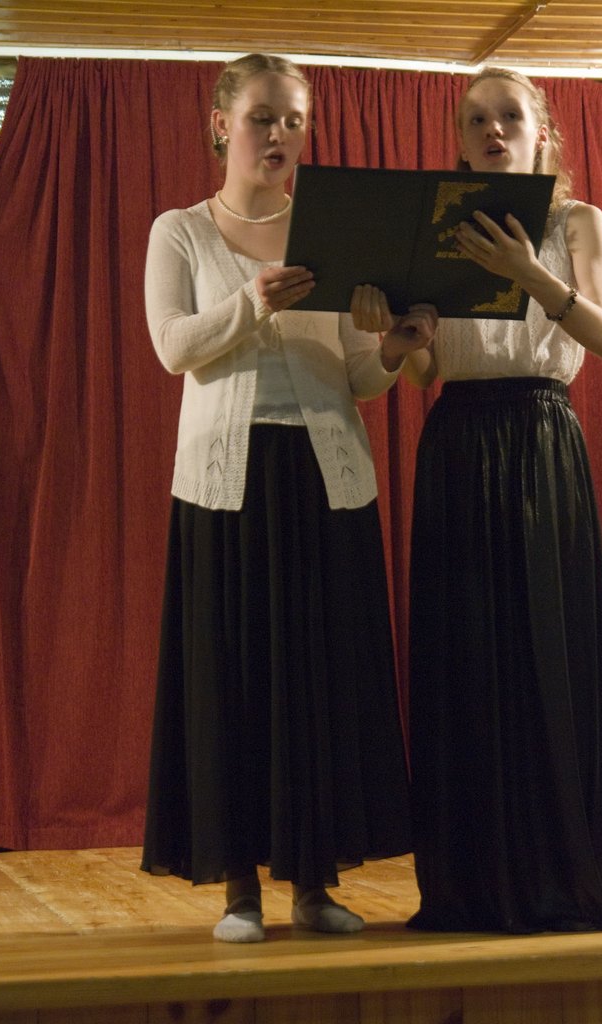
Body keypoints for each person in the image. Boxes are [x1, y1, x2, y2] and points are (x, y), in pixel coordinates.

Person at [353, 67, 602, 933]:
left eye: (509, 116)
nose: (492, 130)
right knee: (468, 660)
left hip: (542, 436)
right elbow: (425, 369)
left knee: (548, 651)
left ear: (539, 132)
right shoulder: (437, 231)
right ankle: (475, 882)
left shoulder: (577, 221)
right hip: (457, 442)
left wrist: (530, 273)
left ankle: (567, 869)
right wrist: (398, 337)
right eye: (476, 119)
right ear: (460, 139)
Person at [140, 53, 433, 943]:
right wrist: (252, 302)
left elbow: (354, 373)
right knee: (232, 681)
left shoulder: (330, 230)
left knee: (319, 682)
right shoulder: (179, 232)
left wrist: (393, 348)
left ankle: (313, 884)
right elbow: (172, 346)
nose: (280, 134)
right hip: (223, 488)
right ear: (221, 124)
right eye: (263, 117)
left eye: (294, 120)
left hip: (324, 475)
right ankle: (239, 892)